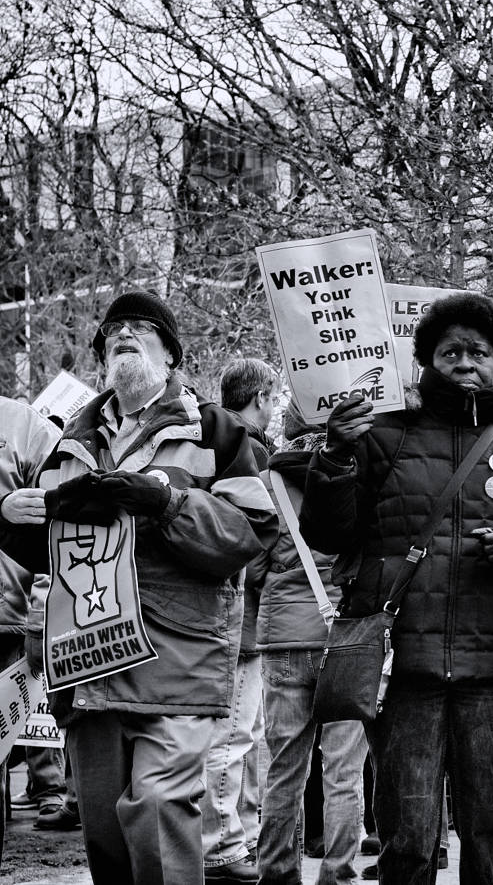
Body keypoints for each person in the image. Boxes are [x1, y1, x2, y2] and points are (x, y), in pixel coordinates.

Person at [301, 292, 493, 885]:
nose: (464, 362)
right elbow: (326, 533)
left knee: (491, 827)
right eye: (450, 352)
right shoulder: (381, 437)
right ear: (427, 362)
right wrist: (335, 455)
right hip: (404, 667)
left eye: (478, 352)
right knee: (407, 832)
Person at [0, 290, 277, 885]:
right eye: (114, 330)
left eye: (142, 327)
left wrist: (168, 502)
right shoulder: (67, 440)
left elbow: (250, 534)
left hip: (174, 660)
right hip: (88, 663)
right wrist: (11, 518)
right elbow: (45, 550)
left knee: (157, 808)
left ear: (171, 354)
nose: (124, 333)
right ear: (102, 356)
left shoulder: (217, 432)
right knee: (105, 836)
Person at [254, 407, 369, 885]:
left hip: (283, 638)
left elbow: (252, 567)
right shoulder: (358, 476)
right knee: (343, 771)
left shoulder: (267, 484)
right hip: (345, 636)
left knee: (284, 768)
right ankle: (337, 875)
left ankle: (278, 873)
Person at [204, 358, 281, 884]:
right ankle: (222, 846)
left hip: (237, 618)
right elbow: (250, 544)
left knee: (241, 733)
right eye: (273, 398)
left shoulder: (217, 442)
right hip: (241, 617)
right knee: (232, 735)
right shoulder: (247, 452)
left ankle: (238, 836)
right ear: (260, 399)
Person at [0, 396, 72, 831]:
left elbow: (58, 529)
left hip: (9, 617)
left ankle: (51, 787)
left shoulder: (26, 426)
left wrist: (42, 615)